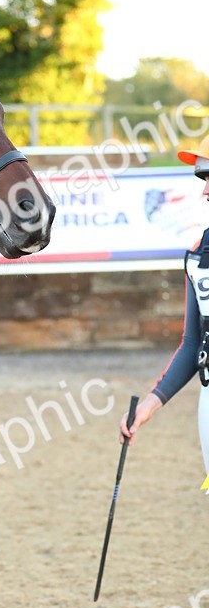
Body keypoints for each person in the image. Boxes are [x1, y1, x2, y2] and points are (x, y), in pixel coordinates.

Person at [120, 137, 209, 486]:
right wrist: (148, 407)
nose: (205, 192)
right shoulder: (198, 254)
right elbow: (193, 344)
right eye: (203, 180)